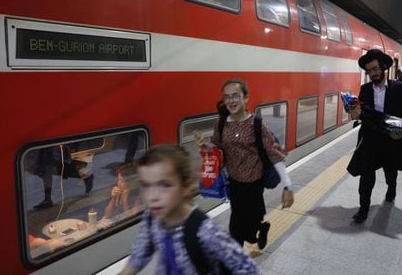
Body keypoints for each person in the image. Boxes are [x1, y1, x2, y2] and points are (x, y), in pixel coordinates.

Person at [120, 144, 259, 275]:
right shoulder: (151, 218)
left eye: (165, 185)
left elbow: (247, 268)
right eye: (146, 185)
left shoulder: (204, 230)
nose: (152, 196)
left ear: (185, 187)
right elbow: (139, 256)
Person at [194, 78, 294, 258]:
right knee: (237, 227)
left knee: (251, 224)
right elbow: (218, 148)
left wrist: (288, 186)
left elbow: (274, 154)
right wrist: (207, 146)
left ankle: (260, 229)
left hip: (255, 183)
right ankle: (236, 260)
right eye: (227, 97)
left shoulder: (257, 124)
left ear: (246, 98)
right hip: (234, 183)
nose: (231, 101)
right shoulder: (221, 123)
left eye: (236, 96)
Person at [349, 49, 402, 223]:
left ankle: (391, 188)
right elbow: (359, 111)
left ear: (384, 67)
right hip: (370, 139)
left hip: (391, 140)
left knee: (390, 173)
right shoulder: (364, 90)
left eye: (375, 69)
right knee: (366, 178)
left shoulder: (398, 88)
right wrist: (354, 114)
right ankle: (363, 210)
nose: (372, 73)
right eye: (369, 71)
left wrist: (400, 133)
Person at [33, 144, 94, 210]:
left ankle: (86, 177)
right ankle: (47, 199)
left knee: (55, 168)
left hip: (60, 149)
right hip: (50, 150)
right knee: (47, 169)